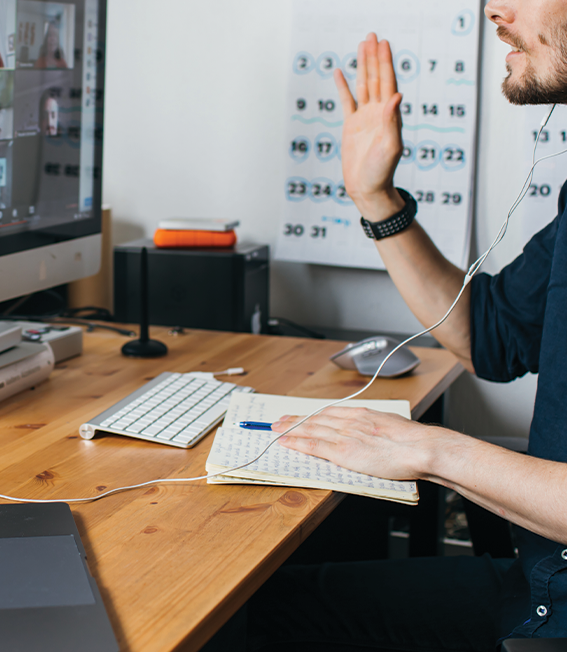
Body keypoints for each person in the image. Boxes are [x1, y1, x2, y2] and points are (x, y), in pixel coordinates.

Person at [243, 1, 567, 649]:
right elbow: (491, 337)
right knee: (247, 614)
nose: (496, 11)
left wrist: (429, 450)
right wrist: (376, 199)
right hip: (537, 586)